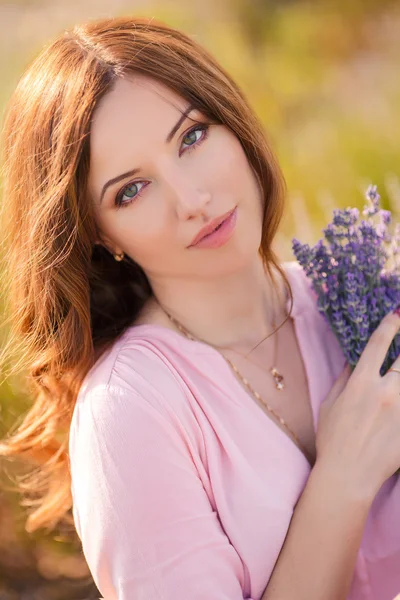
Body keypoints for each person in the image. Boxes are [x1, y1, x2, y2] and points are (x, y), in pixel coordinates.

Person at [0, 14, 400, 600]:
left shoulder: (355, 297)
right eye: (131, 190)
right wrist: (341, 482)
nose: (192, 200)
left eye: (191, 137)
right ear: (101, 235)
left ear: (233, 123)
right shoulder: (131, 411)